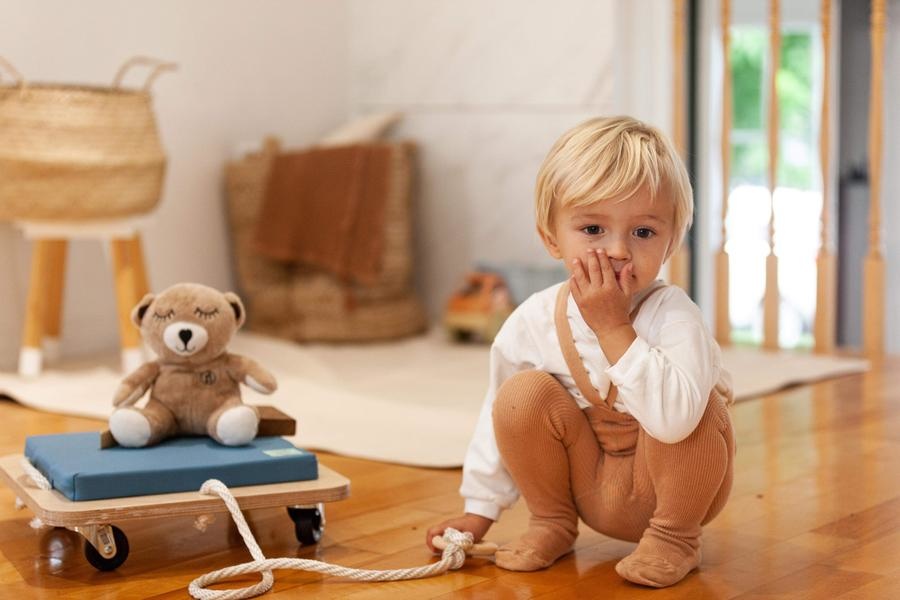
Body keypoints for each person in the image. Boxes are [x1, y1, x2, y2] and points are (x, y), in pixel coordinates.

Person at [425, 116, 735, 588]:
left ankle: (675, 540)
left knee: (699, 406)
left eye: (643, 233)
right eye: (592, 229)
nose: (616, 250)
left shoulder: (675, 316)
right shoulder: (533, 320)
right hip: (590, 486)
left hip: (675, 490)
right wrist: (478, 513)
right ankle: (551, 522)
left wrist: (613, 326)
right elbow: (498, 415)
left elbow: (675, 422)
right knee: (519, 394)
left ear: (671, 240)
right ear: (552, 239)